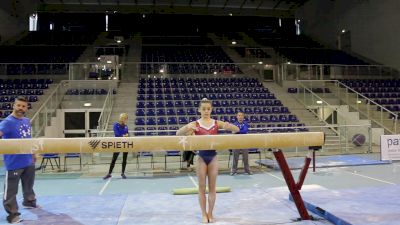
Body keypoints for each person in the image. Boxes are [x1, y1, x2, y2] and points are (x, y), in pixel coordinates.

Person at [176, 98, 239, 223]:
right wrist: (187, 127)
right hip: (201, 157)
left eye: (208, 109)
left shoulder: (216, 123)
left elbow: (236, 129)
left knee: (212, 187)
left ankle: (210, 213)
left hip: (213, 156)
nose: (206, 111)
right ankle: (203, 214)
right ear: (199, 110)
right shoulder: (195, 124)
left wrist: (228, 126)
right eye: (203, 109)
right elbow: (178, 133)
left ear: (211, 110)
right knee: (201, 187)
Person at [0, 96, 38, 224]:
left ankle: (29, 201)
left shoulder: (27, 120)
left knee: (29, 185)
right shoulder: (7, 122)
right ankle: (12, 215)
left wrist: (33, 153)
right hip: (14, 162)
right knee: (11, 191)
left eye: (23, 106)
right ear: (14, 106)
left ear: (26, 108)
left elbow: (28, 138)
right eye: (18, 105)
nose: (20, 108)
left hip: (28, 160)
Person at [103, 113, 129, 180]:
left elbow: (127, 134)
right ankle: (109, 173)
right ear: (121, 118)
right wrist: (124, 135)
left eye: (126, 118)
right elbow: (117, 134)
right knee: (114, 159)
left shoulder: (126, 126)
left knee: (124, 159)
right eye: (125, 118)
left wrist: (126, 135)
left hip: (125, 144)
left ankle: (123, 173)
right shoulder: (115, 125)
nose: (126, 120)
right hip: (117, 144)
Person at [230, 111, 252, 175]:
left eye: (241, 115)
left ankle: (247, 170)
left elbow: (245, 131)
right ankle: (233, 171)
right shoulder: (234, 124)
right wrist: (240, 130)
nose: (240, 117)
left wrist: (237, 130)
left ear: (243, 117)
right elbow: (233, 132)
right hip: (236, 142)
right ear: (237, 117)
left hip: (244, 142)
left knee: (245, 157)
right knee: (235, 157)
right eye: (239, 115)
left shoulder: (245, 124)